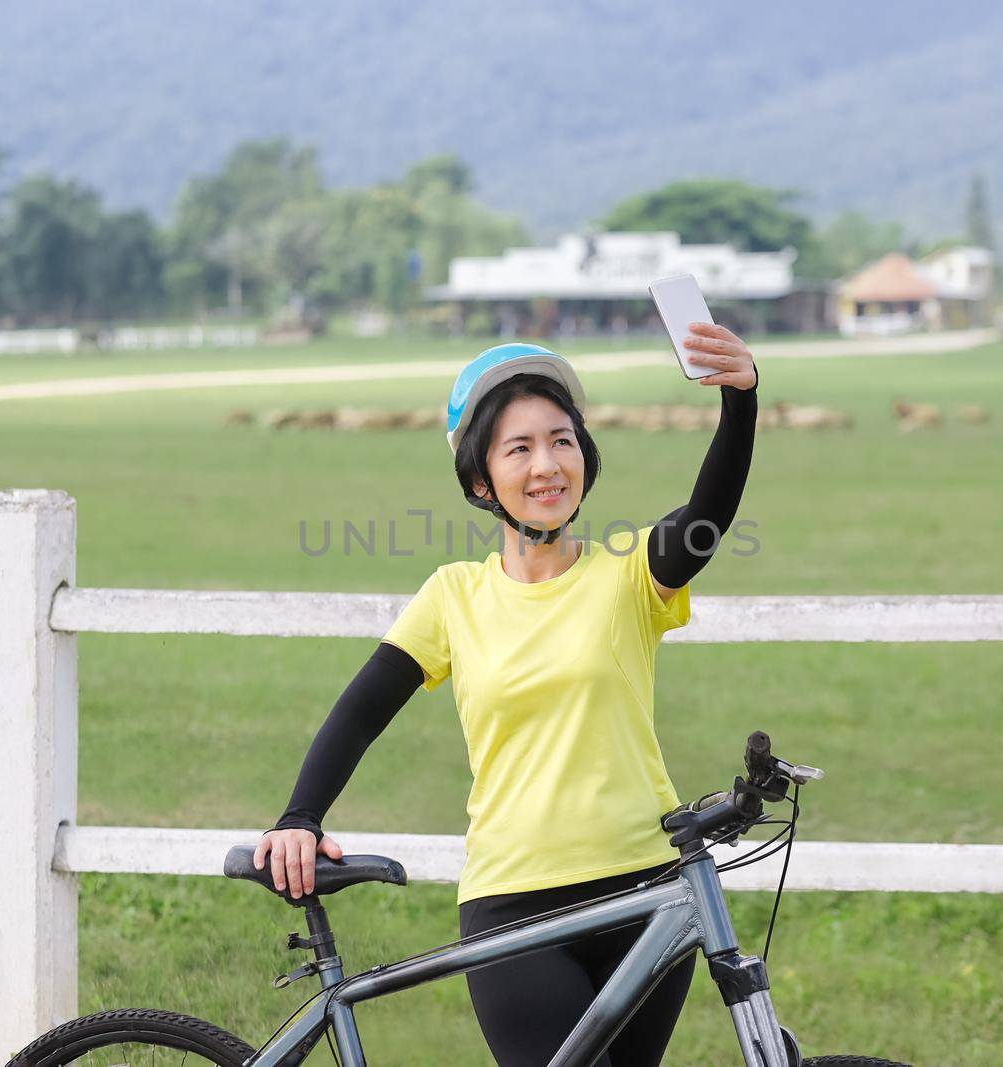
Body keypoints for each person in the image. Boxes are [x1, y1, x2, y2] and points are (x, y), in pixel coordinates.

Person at [256, 324, 759, 1066]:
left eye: (562, 440)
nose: (548, 464)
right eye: (518, 448)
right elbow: (362, 709)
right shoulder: (454, 595)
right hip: (515, 904)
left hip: (649, 892)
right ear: (481, 480)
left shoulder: (629, 573)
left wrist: (740, 401)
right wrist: (300, 815)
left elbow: (707, 511)